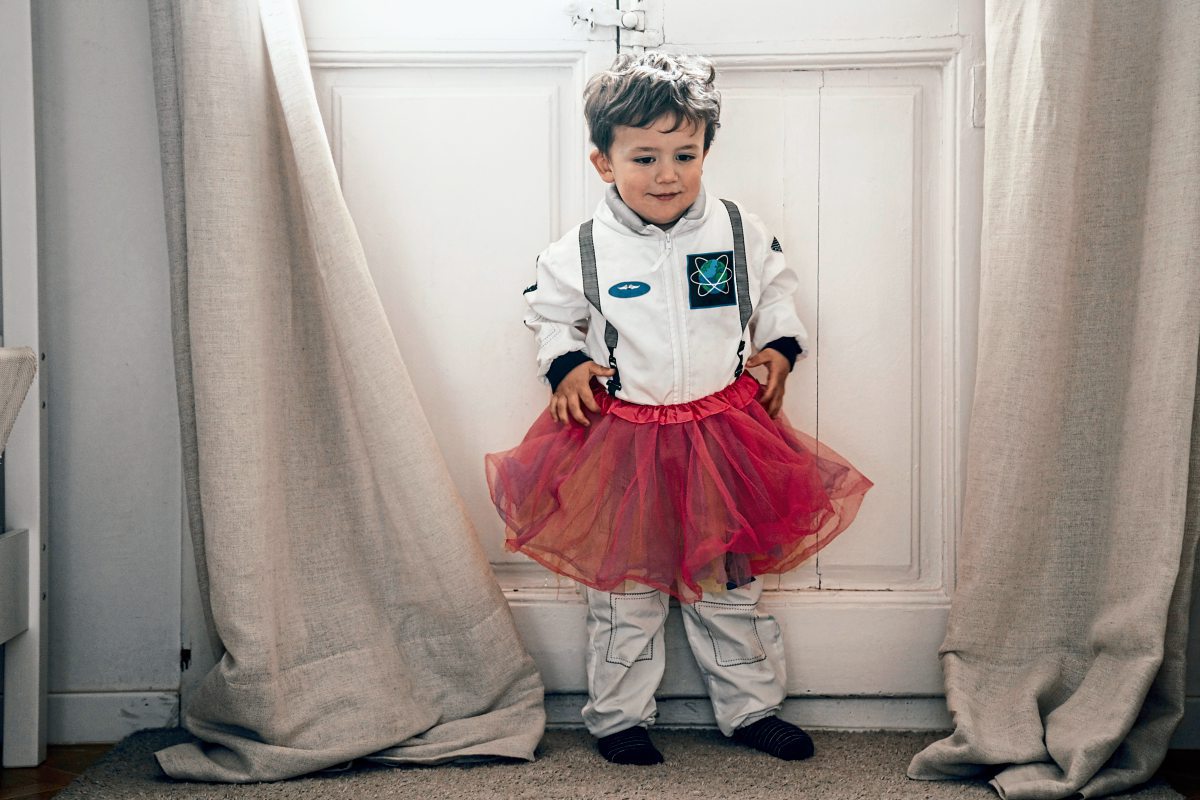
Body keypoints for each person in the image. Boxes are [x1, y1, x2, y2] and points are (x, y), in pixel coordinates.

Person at [485, 52, 872, 766]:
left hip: (723, 441)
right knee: (624, 593)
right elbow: (548, 314)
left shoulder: (736, 230)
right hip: (622, 443)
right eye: (645, 158)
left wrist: (781, 346)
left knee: (727, 585)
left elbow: (776, 292)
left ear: (704, 153)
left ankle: (752, 709)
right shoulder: (581, 250)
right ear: (605, 163)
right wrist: (565, 365)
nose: (667, 175)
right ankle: (618, 718)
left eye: (684, 155)